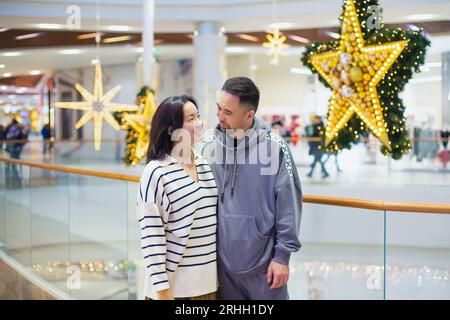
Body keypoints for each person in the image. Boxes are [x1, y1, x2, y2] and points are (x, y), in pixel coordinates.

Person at [202, 77, 302, 300]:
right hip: (221, 268)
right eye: (219, 108)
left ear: (249, 115)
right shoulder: (208, 146)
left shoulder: (275, 148)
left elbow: (289, 203)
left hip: (266, 269)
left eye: (228, 112)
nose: (219, 116)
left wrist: (282, 257)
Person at [137, 95, 218, 300]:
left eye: (198, 116)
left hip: (209, 286)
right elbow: (151, 237)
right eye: (190, 119)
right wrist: (163, 292)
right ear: (171, 129)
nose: (198, 123)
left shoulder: (204, 165)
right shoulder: (156, 173)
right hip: (175, 291)